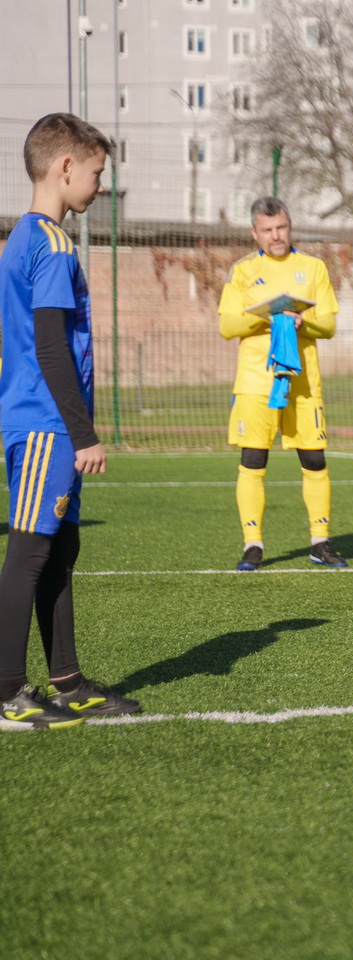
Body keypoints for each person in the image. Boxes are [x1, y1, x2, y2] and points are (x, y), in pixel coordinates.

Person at [0, 113, 141, 729]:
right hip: (45, 425)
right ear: (64, 168)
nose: (100, 185)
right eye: (96, 172)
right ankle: (7, 693)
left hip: (37, 419)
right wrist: (83, 433)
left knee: (60, 548)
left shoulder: (20, 237)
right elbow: (52, 345)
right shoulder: (52, 244)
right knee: (29, 553)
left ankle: (69, 681)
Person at [218, 197, 347, 571]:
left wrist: (303, 322)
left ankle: (320, 542)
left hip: (303, 382)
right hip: (256, 381)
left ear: (289, 226)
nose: (276, 236)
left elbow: (329, 325)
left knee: (314, 459)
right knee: (253, 460)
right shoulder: (242, 272)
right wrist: (269, 316)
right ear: (254, 232)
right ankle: (252, 545)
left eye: (282, 228)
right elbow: (228, 326)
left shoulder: (313, 267)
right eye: (268, 230)